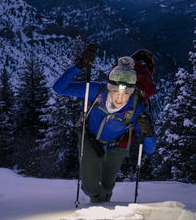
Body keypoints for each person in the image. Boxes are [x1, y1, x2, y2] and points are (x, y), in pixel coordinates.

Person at [53, 43, 156, 203]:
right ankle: (96, 200)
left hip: (117, 146)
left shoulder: (136, 108)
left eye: (126, 92)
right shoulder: (97, 91)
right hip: (89, 138)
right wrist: (80, 65)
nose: (120, 97)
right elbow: (59, 88)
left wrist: (148, 132)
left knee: (107, 186)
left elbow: (150, 149)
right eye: (115, 90)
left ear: (132, 91)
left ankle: (104, 204)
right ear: (109, 86)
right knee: (89, 188)